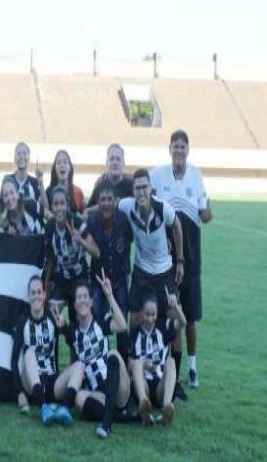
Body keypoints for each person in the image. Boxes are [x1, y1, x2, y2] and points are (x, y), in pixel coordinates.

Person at [151, 130, 213, 389]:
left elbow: (206, 213)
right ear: (169, 150)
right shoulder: (157, 175)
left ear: (188, 150)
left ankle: (192, 368)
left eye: (182, 147)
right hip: (165, 260)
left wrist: (208, 211)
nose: (179, 151)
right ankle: (165, 365)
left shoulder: (196, 176)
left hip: (192, 259)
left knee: (190, 315)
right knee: (168, 312)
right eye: (175, 147)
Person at [118, 168, 186, 400]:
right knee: (134, 322)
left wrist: (179, 260)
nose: (141, 192)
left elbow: (176, 226)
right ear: (133, 191)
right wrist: (86, 212)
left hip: (165, 272)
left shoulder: (163, 208)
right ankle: (133, 380)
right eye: (137, 188)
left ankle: (173, 382)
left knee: (174, 323)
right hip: (141, 273)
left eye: (144, 187)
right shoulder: (127, 206)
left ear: (150, 189)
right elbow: (105, 207)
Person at [51, 274, 131, 439]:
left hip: (116, 389)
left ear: (91, 302)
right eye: (78, 298)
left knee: (113, 353)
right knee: (79, 398)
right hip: (97, 395)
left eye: (85, 296)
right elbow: (62, 327)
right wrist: (61, 324)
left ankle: (107, 422)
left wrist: (109, 296)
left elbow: (122, 326)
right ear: (74, 304)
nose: (82, 300)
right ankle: (122, 417)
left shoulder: (101, 321)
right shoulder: (73, 332)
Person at [11, 276, 84, 427]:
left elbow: (74, 343)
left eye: (39, 292)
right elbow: (14, 360)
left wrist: (63, 327)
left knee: (80, 366)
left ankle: (64, 408)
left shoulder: (52, 317)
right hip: (32, 384)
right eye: (33, 293)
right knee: (29, 353)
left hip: (52, 382)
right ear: (29, 296)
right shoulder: (22, 321)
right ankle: (44, 409)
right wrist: (20, 393)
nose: (36, 296)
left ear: (44, 295)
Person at [85, 181, 133, 359]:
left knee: (121, 319)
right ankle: (99, 359)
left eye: (109, 199)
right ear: (97, 201)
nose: (106, 203)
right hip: (98, 279)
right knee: (97, 317)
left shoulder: (124, 220)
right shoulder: (92, 220)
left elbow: (131, 242)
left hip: (120, 278)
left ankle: (122, 362)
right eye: (102, 199)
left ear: (116, 200)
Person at [129, 289, 187, 426]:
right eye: (147, 314)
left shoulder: (163, 326)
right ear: (141, 313)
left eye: (153, 314)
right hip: (144, 387)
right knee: (137, 363)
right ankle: (144, 404)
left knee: (171, 361)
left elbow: (183, 323)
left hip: (161, 386)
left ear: (157, 313)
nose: (150, 318)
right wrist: (143, 365)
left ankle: (167, 406)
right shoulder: (135, 333)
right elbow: (129, 365)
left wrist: (175, 307)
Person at [44, 185, 92, 323]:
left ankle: (76, 341)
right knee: (50, 313)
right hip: (62, 279)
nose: (59, 208)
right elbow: (50, 258)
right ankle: (54, 342)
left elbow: (96, 252)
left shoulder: (77, 222)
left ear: (68, 204)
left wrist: (80, 240)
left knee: (78, 317)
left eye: (62, 203)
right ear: (52, 207)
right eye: (56, 204)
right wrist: (46, 286)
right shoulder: (50, 226)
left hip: (80, 278)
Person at [86, 143, 133, 211]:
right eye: (111, 159)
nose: (115, 162)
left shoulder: (131, 187)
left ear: (123, 163)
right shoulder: (99, 186)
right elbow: (87, 212)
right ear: (106, 163)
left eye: (118, 159)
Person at [4, 142, 46, 207]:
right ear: (14, 159)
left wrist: (41, 182)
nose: (21, 156)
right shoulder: (8, 181)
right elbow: (1, 208)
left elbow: (45, 207)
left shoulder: (35, 183)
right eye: (18, 154)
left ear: (29, 158)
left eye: (24, 153)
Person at [46, 150, 85, 217]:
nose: (62, 165)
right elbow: (44, 211)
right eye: (58, 163)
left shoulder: (77, 191)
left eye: (65, 162)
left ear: (70, 168)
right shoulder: (48, 191)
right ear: (55, 169)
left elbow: (84, 213)